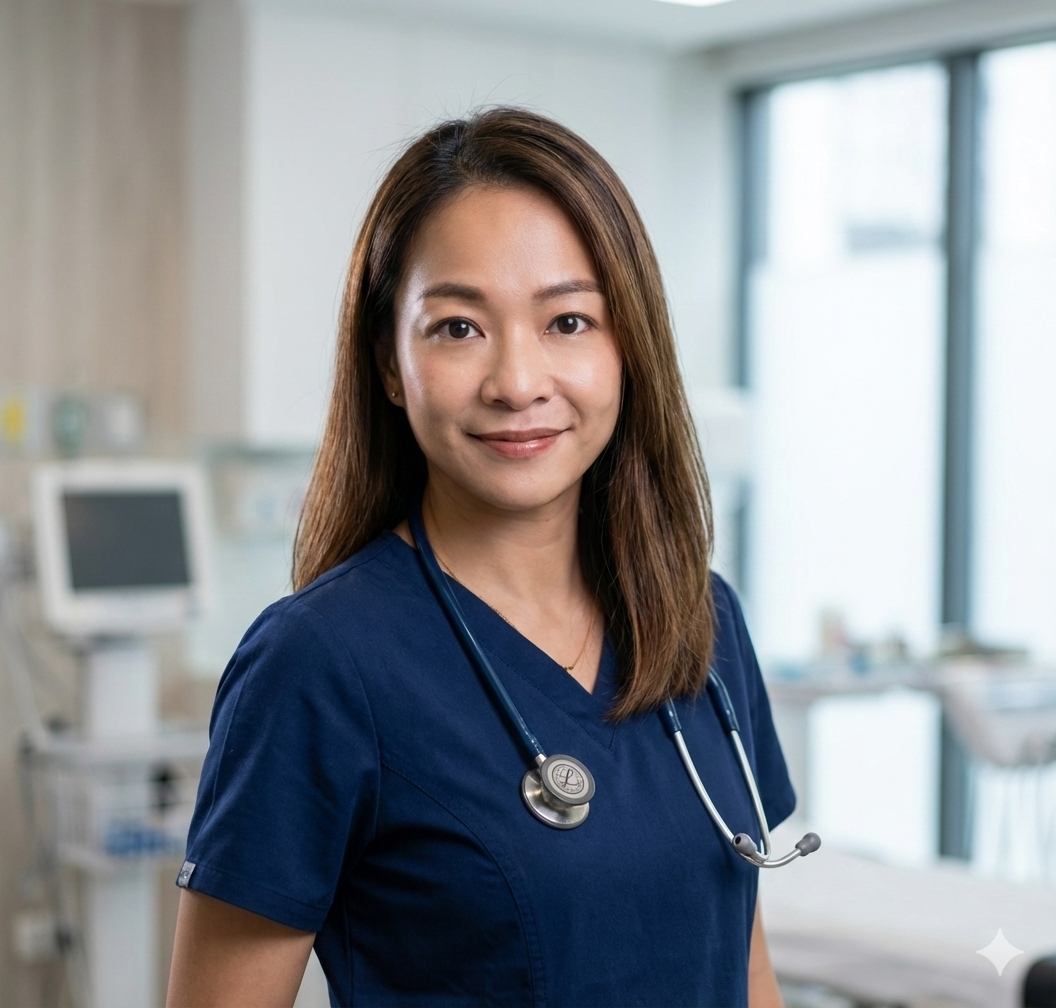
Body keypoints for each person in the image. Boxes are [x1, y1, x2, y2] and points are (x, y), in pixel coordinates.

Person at [166, 106, 794, 1008]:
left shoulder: (702, 619)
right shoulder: (319, 665)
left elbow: (745, 965)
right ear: (390, 362)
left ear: (630, 349)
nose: (517, 381)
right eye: (458, 327)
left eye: (569, 322)